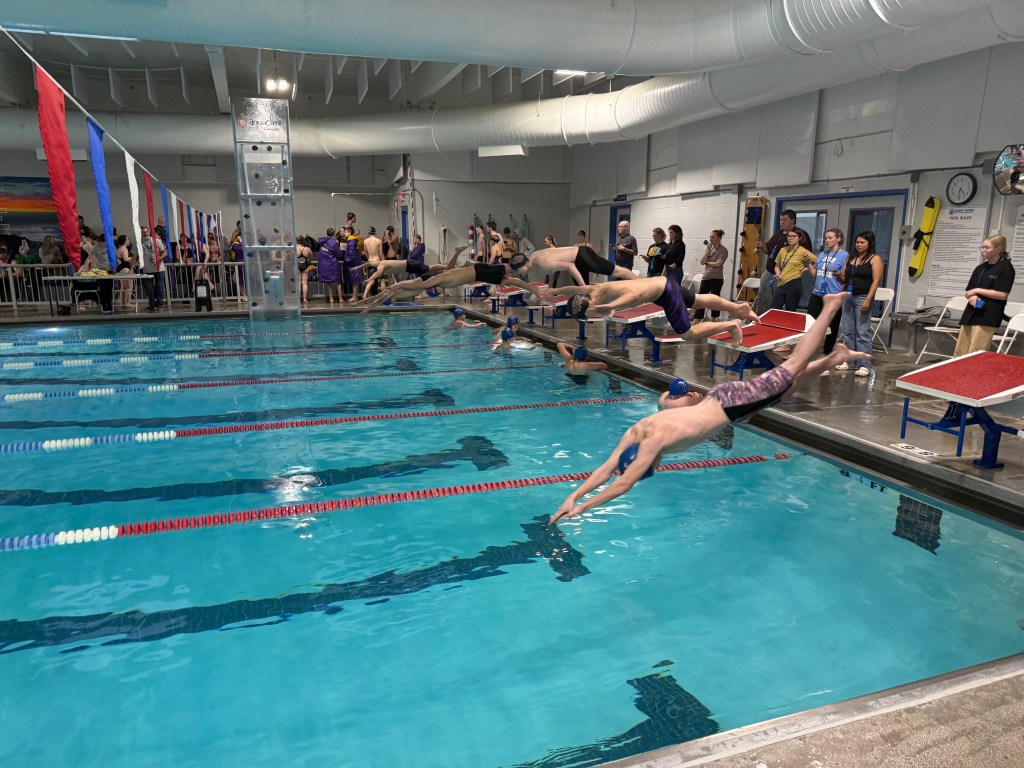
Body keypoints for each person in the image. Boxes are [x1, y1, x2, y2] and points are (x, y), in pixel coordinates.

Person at [550, 293, 866, 523]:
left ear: (649, 462)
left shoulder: (653, 444)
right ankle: (832, 359)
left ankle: (829, 308)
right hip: (721, 398)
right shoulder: (639, 429)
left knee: (793, 364)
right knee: (781, 391)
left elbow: (621, 483)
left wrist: (582, 509)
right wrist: (573, 496)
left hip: (731, 404)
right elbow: (607, 469)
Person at [557, 275, 758, 344]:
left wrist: (608, 307)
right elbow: (573, 288)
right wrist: (554, 291)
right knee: (697, 300)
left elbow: (633, 296)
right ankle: (739, 307)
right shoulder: (595, 289)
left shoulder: (606, 300)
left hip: (666, 294)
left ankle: (732, 323)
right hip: (664, 284)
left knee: (688, 334)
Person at [362, 254, 542, 312]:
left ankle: (368, 303)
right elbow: (516, 279)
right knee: (421, 286)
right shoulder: (500, 270)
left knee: (419, 286)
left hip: (456, 275)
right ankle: (394, 288)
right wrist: (532, 287)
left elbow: (513, 279)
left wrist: (530, 287)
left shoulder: (498, 271)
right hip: (452, 277)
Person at [953, 234, 1015, 357]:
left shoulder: (1006, 268)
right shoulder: (980, 268)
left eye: (987, 248)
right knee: (960, 350)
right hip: (971, 311)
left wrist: (977, 290)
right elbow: (968, 292)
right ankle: (956, 375)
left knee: (975, 351)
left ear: (998, 250)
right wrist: (972, 297)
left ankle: (972, 376)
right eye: (982, 247)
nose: (983, 250)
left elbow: (1002, 295)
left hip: (988, 314)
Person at [837, 231, 883, 377]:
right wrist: (838, 276)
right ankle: (850, 362)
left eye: (862, 242)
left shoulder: (875, 259)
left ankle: (865, 365)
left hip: (863, 297)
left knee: (862, 332)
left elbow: (876, 281)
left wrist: (868, 299)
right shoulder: (851, 258)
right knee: (848, 331)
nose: (859, 245)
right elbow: (844, 279)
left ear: (869, 243)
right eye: (857, 242)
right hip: (848, 297)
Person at [806, 228, 848, 359]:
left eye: (830, 238)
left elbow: (845, 277)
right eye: (825, 238)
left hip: (832, 295)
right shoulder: (822, 254)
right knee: (810, 323)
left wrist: (839, 276)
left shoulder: (844, 255)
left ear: (838, 239)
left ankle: (827, 351)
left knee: (832, 325)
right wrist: (809, 264)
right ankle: (806, 350)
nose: (827, 240)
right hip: (817, 293)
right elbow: (815, 274)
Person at [361, 247, 465, 299]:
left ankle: (457, 253)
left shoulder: (423, 285)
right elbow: (402, 285)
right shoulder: (423, 286)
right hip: (418, 275)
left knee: (443, 270)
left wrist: (391, 287)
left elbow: (403, 284)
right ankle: (457, 254)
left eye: (439, 291)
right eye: (440, 291)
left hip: (416, 272)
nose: (441, 290)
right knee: (444, 270)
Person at [514, 245, 637, 287]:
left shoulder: (540, 262)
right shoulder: (533, 258)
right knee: (583, 292)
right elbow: (552, 272)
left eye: (518, 270)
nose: (518, 273)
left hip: (582, 256)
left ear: (523, 265)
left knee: (616, 271)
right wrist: (549, 288)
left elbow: (569, 267)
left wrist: (584, 287)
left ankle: (642, 282)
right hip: (577, 261)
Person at [770, 228, 815, 312]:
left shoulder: (803, 251)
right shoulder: (783, 250)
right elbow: (777, 266)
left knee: (790, 311)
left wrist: (805, 269)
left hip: (794, 283)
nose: (790, 238)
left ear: (799, 238)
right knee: (774, 309)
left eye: (793, 236)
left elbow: (818, 262)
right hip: (781, 283)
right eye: (789, 236)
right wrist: (778, 273)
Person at [693, 229, 728, 321]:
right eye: (710, 237)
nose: (710, 239)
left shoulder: (723, 250)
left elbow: (718, 264)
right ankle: (697, 318)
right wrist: (707, 251)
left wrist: (707, 262)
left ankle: (714, 318)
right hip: (706, 277)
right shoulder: (710, 249)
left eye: (713, 237)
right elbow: (701, 262)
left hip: (716, 278)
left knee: (714, 298)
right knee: (701, 298)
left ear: (719, 238)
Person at [140, 225, 167, 311]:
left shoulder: (156, 241)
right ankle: (152, 303)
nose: (145, 234)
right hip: (147, 268)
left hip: (159, 267)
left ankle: (158, 303)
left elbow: (165, 252)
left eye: (146, 232)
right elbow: (134, 255)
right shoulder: (139, 242)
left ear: (149, 232)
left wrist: (158, 259)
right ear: (140, 233)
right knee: (148, 287)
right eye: (143, 232)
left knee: (159, 286)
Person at [316, 230, 344, 304]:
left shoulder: (323, 242)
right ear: (334, 234)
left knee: (329, 283)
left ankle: (331, 299)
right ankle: (340, 298)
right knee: (338, 282)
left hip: (323, 265)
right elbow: (339, 254)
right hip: (332, 265)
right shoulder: (334, 243)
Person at [296, 236, 315, 306]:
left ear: (297, 241)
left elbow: (290, 256)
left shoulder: (295, 248)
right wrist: (308, 259)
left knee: (298, 283)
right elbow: (312, 256)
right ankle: (304, 299)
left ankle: (298, 299)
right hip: (305, 265)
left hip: (297, 265)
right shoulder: (307, 249)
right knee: (304, 283)